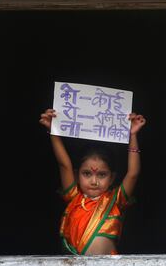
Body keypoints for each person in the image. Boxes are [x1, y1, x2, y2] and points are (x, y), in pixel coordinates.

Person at [39, 109, 146, 255]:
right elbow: (64, 164)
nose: (94, 181)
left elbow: (133, 173)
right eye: (87, 173)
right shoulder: (74, 197)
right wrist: (53, 130)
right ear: (77, 175)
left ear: (112, 178)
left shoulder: (115, 200)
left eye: (102, 175)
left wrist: (133, 135)